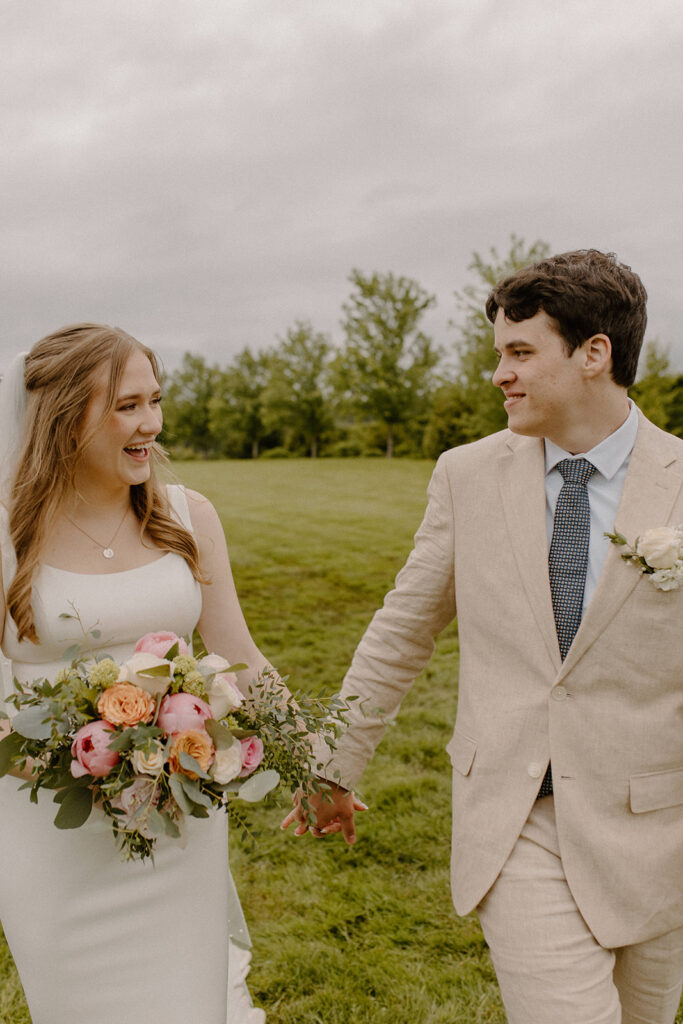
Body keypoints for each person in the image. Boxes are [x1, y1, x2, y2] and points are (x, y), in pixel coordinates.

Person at [284, 250, 683, 1023]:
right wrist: (333, 764)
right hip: (515, 816)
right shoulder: (465, 475)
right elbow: (402, 629)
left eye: (519, 352)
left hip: (652, 830)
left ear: (593, 354)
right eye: (499, 353)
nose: (498, 373)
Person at [0, 324, 269, 1024]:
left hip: (178, 821)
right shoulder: (6, 537)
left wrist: (314, 760)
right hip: (51, 839)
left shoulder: (187, 518)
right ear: (63, 419)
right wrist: (77, 757)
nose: (150, 423)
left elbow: (241, 651)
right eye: (126, 406)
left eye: (155, 400)